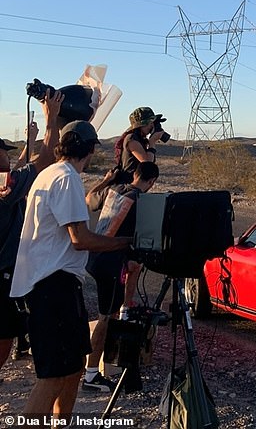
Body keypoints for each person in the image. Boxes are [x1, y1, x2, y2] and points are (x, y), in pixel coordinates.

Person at [10, 120, 133, 417]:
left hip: (54, 285)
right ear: (90, 149)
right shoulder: (66, 178)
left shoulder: (50, 173)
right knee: (53, 377)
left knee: (73, 368)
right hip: (52, 287)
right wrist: (124, 243)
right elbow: (79, 239)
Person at [0, 89, 64, 373]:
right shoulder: (6, 188)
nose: (7, 156)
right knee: (4, 333)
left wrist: (32, 136)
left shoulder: (6, 185)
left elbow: (20, 168)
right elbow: (45, 160)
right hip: (1, 277)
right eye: (4, 152)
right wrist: (52, 121)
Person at [83, 161, 159, 392]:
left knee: (111, 313)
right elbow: (144, 238)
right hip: (110, 263)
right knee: (106, 318)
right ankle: (91, 374)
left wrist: (106, 179)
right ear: (152, 181)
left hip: (95, 259)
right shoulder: (142, 202)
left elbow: (89, 198)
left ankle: (106, 363)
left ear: (135, 174)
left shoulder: (113, 190)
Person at [113, 107, 166, 184]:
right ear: (140, 125)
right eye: (149, 123)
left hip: (136, 184)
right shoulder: (131, 139)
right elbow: (147, 163)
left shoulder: (140, 139)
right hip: (127, 184)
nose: (151, 126)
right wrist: (152, 142)